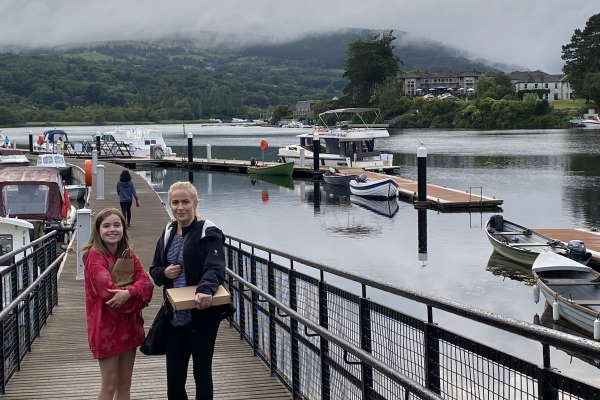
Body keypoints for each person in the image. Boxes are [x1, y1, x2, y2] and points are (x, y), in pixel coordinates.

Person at [149, 181, 225, 400]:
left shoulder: (208, 232)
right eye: (175, 202)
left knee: (201, 374)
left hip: (202, 315)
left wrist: (205, 289)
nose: (180, 207)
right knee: (174, 378)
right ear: (169, 204)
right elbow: (154, 270)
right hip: (175, 316)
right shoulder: (168, 232)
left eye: (185, 202)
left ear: (195, 203)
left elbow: (215, 267)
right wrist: (165, 273)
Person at [83, 208, 153, 400]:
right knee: (109, 386)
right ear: (98, 230)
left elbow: (147, 283)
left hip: (129, 328)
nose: (112, 229)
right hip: (106, 329)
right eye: (106, 226)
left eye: (117, 224)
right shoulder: (94, 257)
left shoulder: (128, 253)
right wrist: (138, 299)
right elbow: (109, 294)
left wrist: (129, 292)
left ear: (123, 227)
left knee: (124, 385)